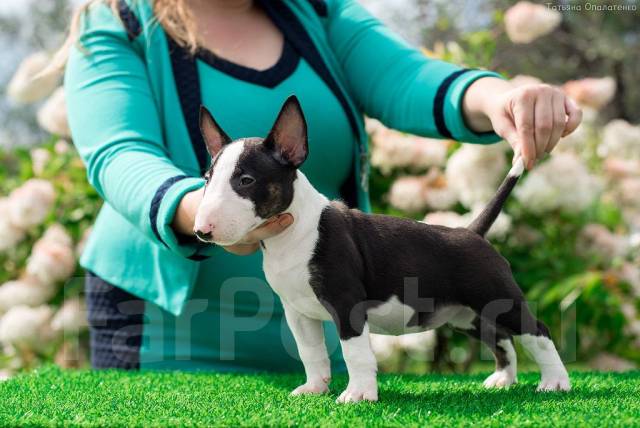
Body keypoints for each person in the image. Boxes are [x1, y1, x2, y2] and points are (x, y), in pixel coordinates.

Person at [62, 0, 581, 371]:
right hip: (167, 330)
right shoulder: (117, 22)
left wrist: (496, 96)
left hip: (330, 308)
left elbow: (406, 77)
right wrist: (205, 208)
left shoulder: (318, 10)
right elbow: (118, 152)